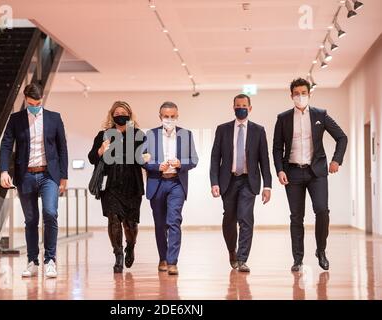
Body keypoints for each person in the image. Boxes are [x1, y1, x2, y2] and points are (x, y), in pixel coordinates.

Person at [273, 78, 347, 272]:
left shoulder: (320, 115)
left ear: (309, 94)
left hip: (317, 173)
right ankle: (298, 259)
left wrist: (336, 160)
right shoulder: (283, 118)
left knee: (322, 211)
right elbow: (276, 148)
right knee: (296, 217)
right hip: (293, 173)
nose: (300, 97)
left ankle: (321, 251)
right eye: (296, 94)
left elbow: (341, 137)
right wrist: (280, 169)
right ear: (291, 96)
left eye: (303, 93)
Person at [0, 83, 68, 278]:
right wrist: (4, 170)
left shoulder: (54, 118)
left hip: (49, 175)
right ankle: (32, 261)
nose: (35, 106)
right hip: (26, 176)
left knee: (50, 213)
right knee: (31, 220)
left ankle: (50, 260)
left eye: (38, 103)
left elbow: (62, 148)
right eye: (31, 103)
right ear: (25, 99)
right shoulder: (16, 119)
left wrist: (64, 176)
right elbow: (6, 145)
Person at [210, 94, 272, 272]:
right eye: (238, 105)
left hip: (248, 180)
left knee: (246, 218)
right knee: (229, 219)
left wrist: (267, 185)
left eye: (244, 105)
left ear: (250, 108)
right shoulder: (222, 129)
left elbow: (264, 160)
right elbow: (215, 158)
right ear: (233, 107)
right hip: (227, 180)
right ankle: (232, 252)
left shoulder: (258, 130)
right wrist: (214, 182)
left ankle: (243, 259)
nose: (241, 108)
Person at [88, 101, 145, 273]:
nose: (120, 114)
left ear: (129, 114)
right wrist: (100, 151)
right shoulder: (103, 135)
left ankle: (131, 245)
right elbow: (92, 157)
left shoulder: (138, 134)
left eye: (124, 112)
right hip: (111, 184)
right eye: (117, 112)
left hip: (132, 185)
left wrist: (145, 157)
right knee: (113, 219)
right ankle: (118, 255)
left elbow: (142, 158)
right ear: (112, 115)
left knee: (130, 223)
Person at [143, 101, 198, 275]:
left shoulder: (186, 135)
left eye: (172, 116)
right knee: (160, 224)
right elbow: (140, 159)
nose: (169, 119)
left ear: (177, 116)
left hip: (176, 183)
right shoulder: (150, 135)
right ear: (160, 117)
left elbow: (194, 160)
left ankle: (173, 261)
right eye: (166, 116)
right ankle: (163, 258)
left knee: (174, 221)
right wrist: (156, 166)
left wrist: (181, 163)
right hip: (157, 182)